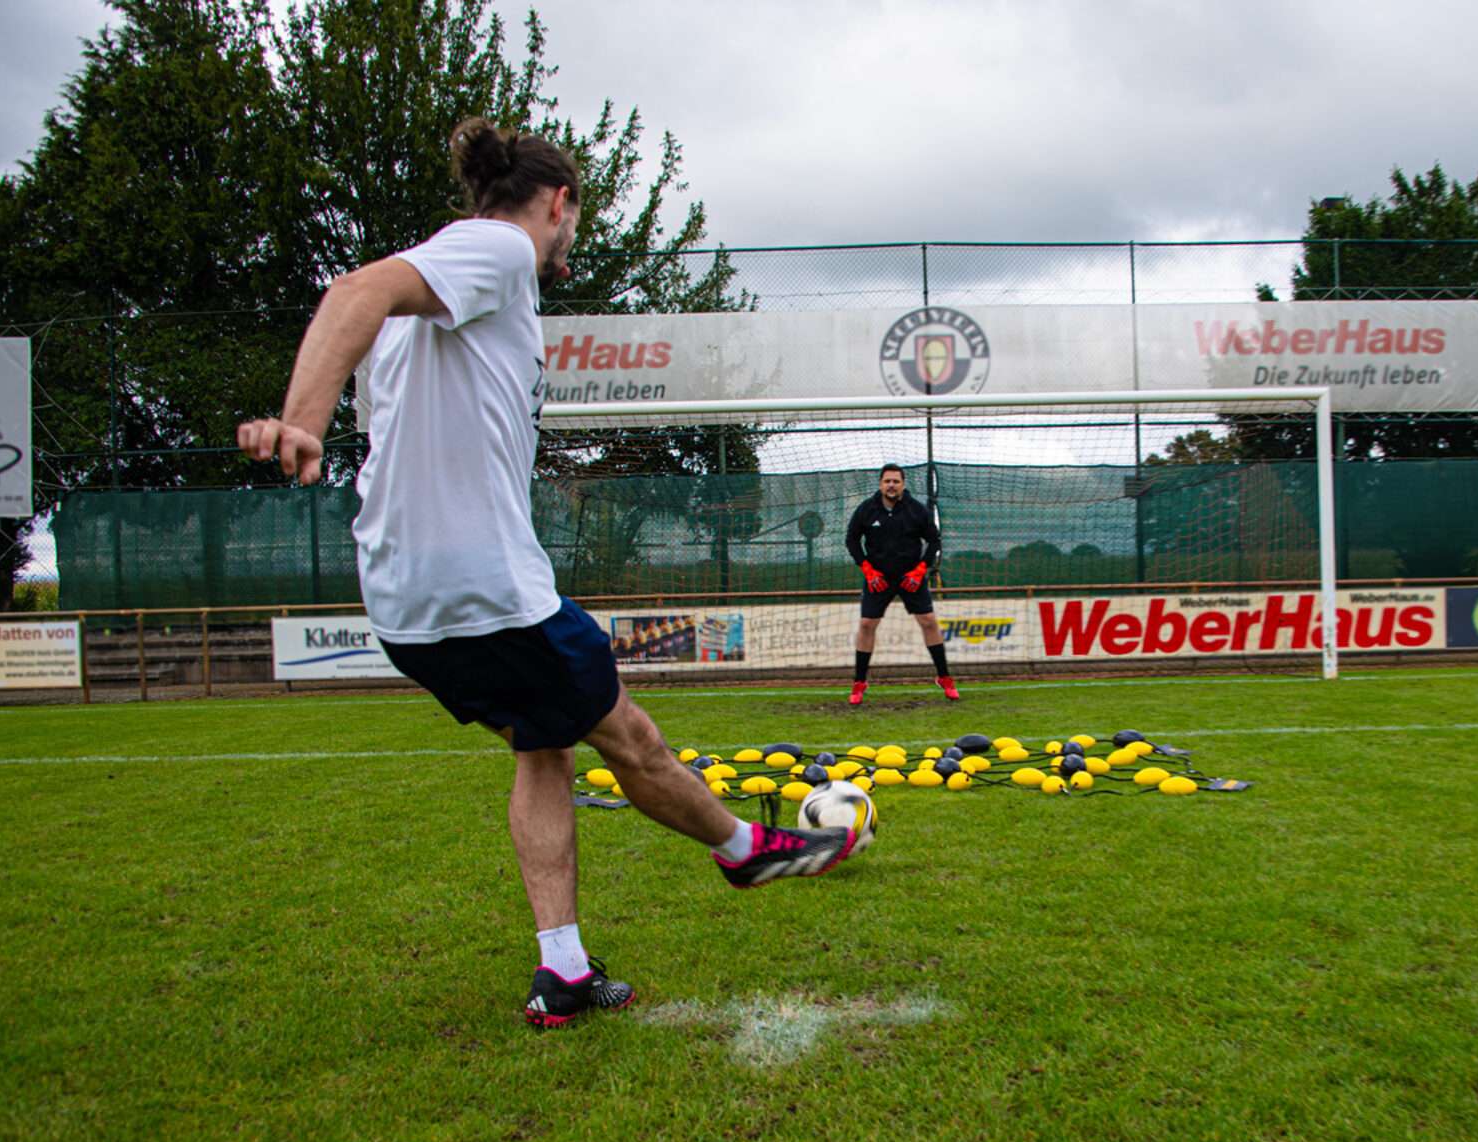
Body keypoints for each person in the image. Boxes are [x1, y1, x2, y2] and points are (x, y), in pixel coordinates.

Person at [237, 118, 854, 1030]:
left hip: (406, 604)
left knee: (545, 740)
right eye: (577, 222)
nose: (571, 242)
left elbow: (373, 303)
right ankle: (742, 848)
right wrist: (303, 420)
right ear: (559, 204)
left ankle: (562, 968)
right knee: (628, 733)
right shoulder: (492, 251)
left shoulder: (450, 273)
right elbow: (351, 289)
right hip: (483, 587)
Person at [843, 463, 956, 705]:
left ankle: (944, 677)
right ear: (880, 484)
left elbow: (934, 542)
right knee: (866, 624)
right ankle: (859, 682)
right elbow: (852, 540)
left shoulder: (917, 510)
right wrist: (867, 569)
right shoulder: (867, 509)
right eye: (887, 481)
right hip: (878, 578)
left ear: (903, 484)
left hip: (910, 577)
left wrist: (921, 569)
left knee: (929, 622)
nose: (891, 485)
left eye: (896, 481)